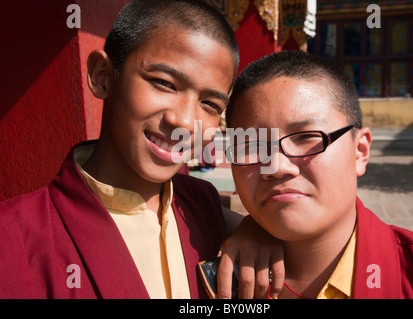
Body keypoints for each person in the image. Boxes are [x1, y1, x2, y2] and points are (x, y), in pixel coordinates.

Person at [0, 0, 283, 299]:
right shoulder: (14, 237)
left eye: (210, 104)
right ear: (102, 76)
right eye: (163, 83)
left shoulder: (201, 206)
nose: (185, 122)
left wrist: (258, 229)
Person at [225, 50, 413, 299]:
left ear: (360, 151)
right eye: (251, 145)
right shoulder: (209, 273)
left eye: (306, 138)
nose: (276, 166)